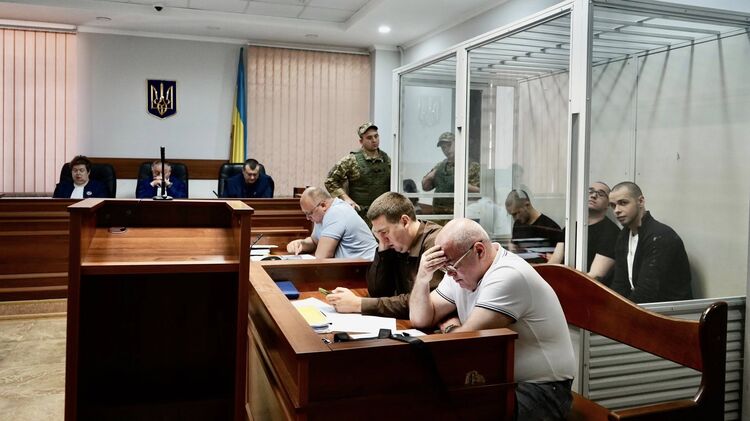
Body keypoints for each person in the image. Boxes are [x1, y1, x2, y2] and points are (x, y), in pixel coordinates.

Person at [409, 218, 576, 420]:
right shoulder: (462, 270)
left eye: (452, 267)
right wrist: (422, 277)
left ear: (479, 251)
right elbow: (420, 319)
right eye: (445, 269)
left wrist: (451, 325)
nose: (450, 275)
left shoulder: (507, 275)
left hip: (542, 389)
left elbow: (465, 343)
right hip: (502, 380)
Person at [325, 192, 443, 319]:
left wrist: (358, 304)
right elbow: (377, 291)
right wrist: (383, 249)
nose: (382, 239)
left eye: (384, 232)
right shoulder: (394, 242)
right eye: (377, 233)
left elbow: (424, 303)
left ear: (404, 222)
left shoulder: (435, 242)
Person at [608, 182, 693, 303]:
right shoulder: (624, 235)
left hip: (668, 310)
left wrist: (619, 311)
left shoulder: (660, 236)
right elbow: (620, 283)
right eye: (613, 205)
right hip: (643, 306)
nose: (617, 210)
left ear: (641, 201)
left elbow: (647, 292)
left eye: (623, 203)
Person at [549, 181, 620, 282]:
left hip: (588, 287)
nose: (593, 196)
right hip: (564, 281)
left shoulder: (611, 233)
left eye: (601, 194)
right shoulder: (571, 226)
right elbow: (554, 261)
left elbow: (594, 276)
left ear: (608, 204)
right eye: (590, 191)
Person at [325, 121, 390, 222]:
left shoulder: (387, 160)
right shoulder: (351, 160)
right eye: (369, 138)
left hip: (383, 214)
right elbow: (330, 180)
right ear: (361, 141)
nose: (374, 140)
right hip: (360, 215)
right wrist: (346, 199)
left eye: (376, 136)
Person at [286, 187, 376, 259]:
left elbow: (322, 256)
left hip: (367, 267)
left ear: (323, 205)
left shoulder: (336, 212)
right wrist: (301, 244)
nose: (307, 218)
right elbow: (315, 241)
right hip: (353, 267)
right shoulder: (321, 215)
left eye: (309, 213)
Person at [421, 132, 481, 214]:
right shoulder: (441, 166)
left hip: (460, 213)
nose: (446, 150)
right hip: (439, 214)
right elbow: (426, 187)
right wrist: (431, 176)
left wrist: (460, 185)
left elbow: (480, 192)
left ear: (458, 144)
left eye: (449, 145)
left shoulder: (471, 165)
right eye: (443, 148)